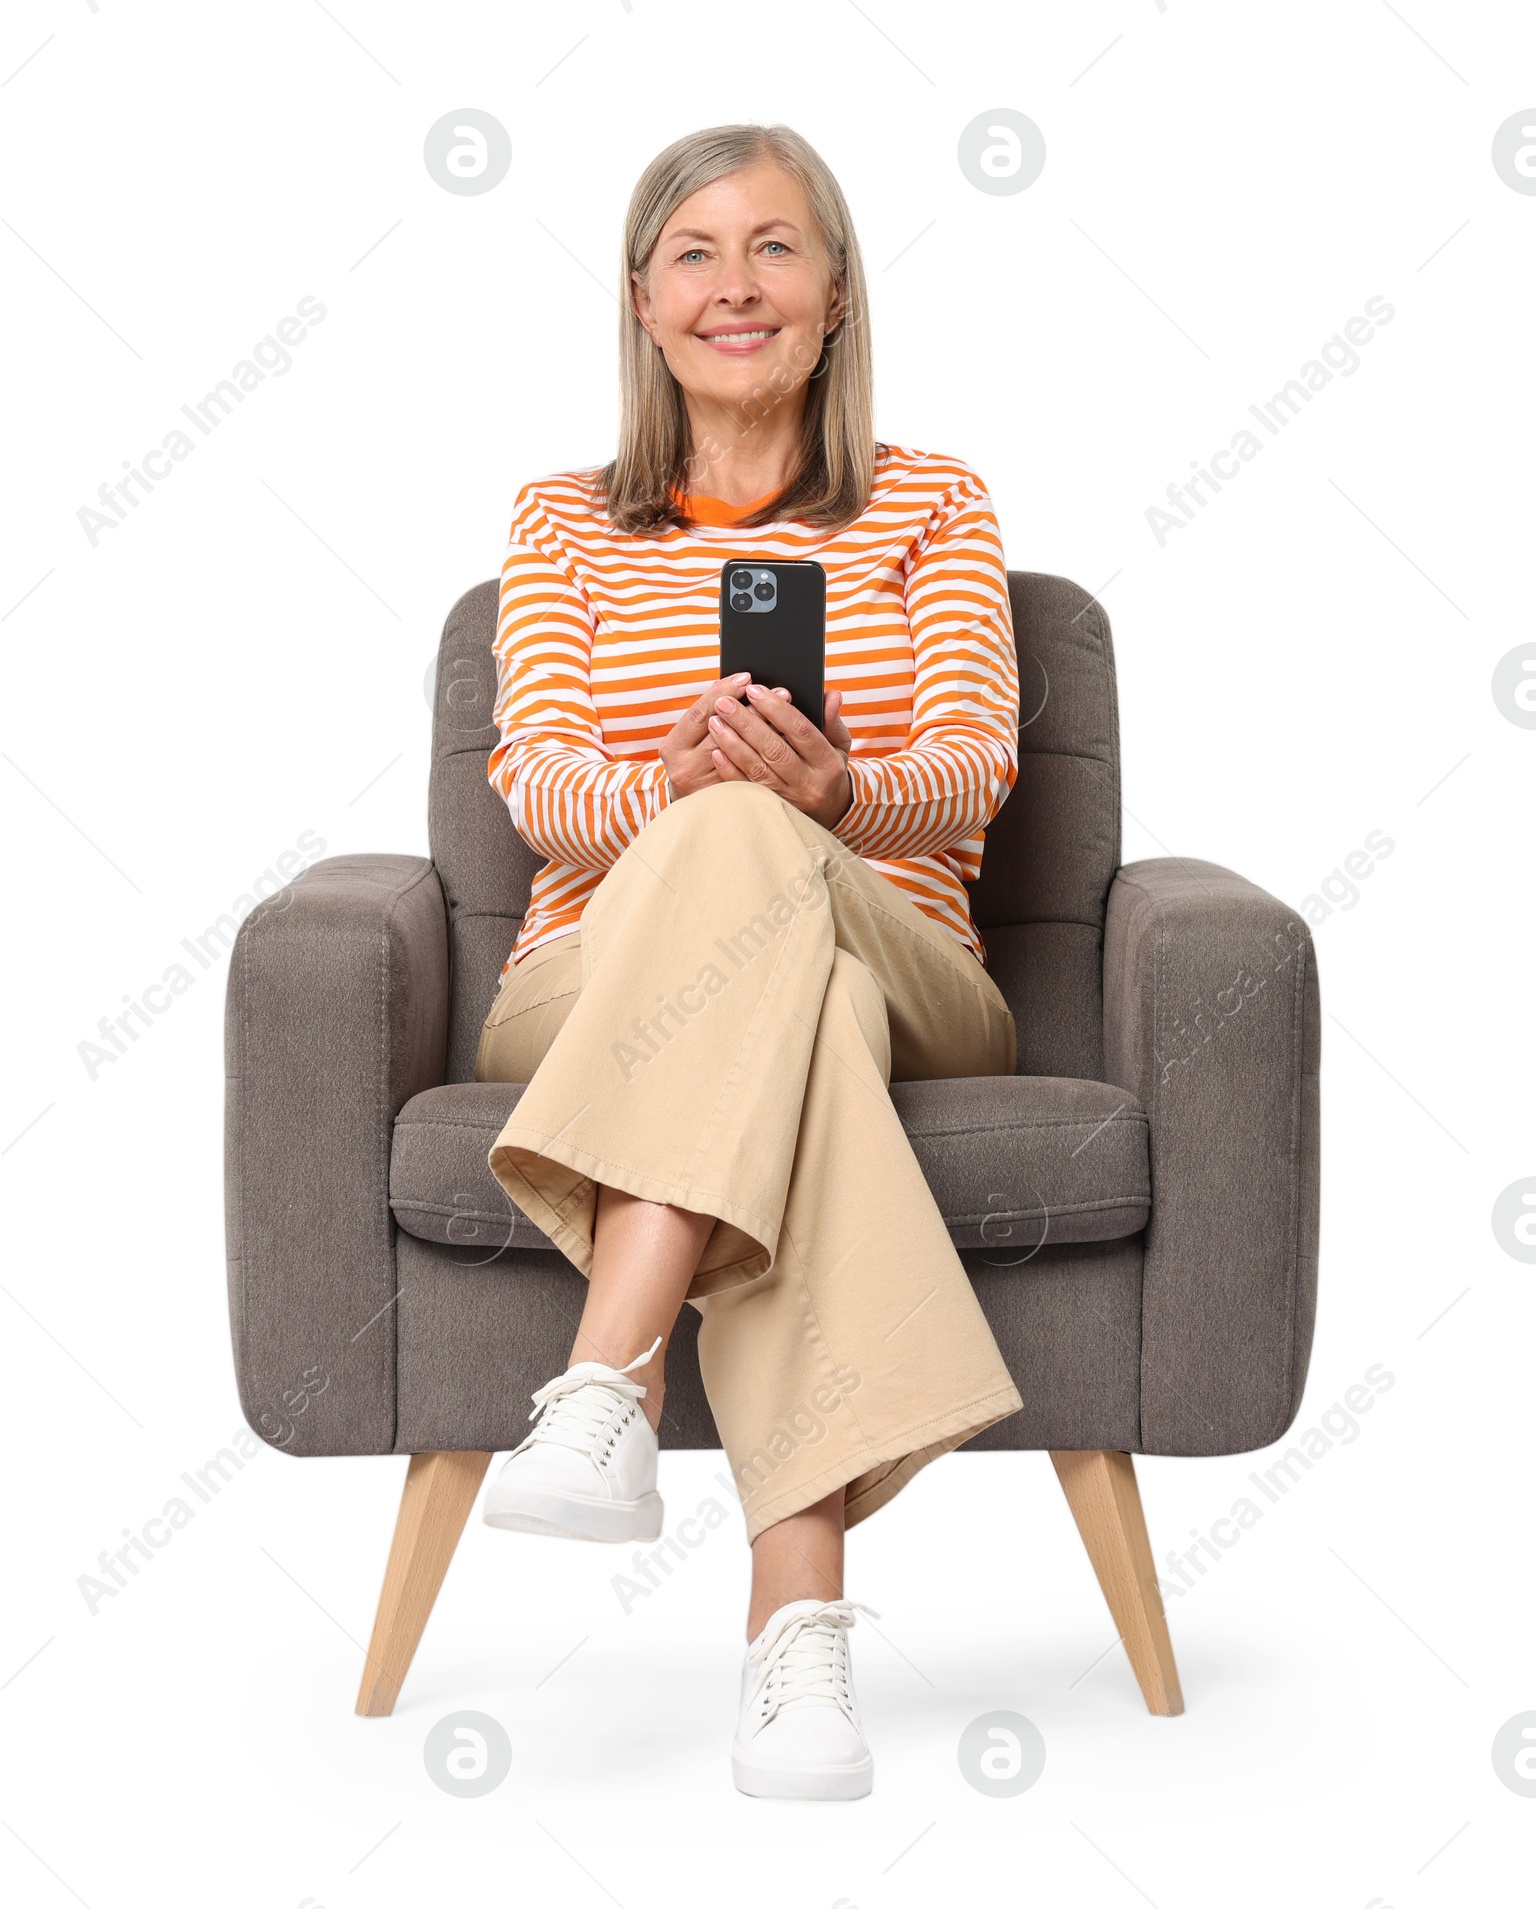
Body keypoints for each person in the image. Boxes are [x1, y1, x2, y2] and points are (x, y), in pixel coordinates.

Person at [474, 121, 1024, 1801]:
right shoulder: (563, 522)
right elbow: (541, 785)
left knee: (789, 886)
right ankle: (800, 1640)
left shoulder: (932, 503)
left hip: (909, 946)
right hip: (600, 983)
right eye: (697, 253)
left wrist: (828, 793)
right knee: (798, 992)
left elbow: (976, 762)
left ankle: (607, 1375)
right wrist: (685, 793)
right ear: (642, 301)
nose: (737, 286)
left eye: (776, 249)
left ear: (836, 294)